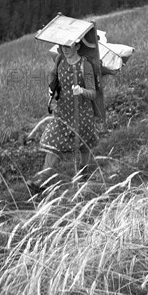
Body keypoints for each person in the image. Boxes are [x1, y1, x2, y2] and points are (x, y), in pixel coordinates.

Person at [28, 42, 97, 193]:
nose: (64, 50)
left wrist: (81, 91)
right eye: (62, 46)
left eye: (68, 46)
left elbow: (93, 93)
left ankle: (84, 176)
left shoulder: (85, 66)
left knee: (84, 146)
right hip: (63, 112)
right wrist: (51, 87)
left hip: (82, 115)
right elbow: (53, 74)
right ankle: (41, 181)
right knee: (53, 141)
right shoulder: (60, 59)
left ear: (77, 47)